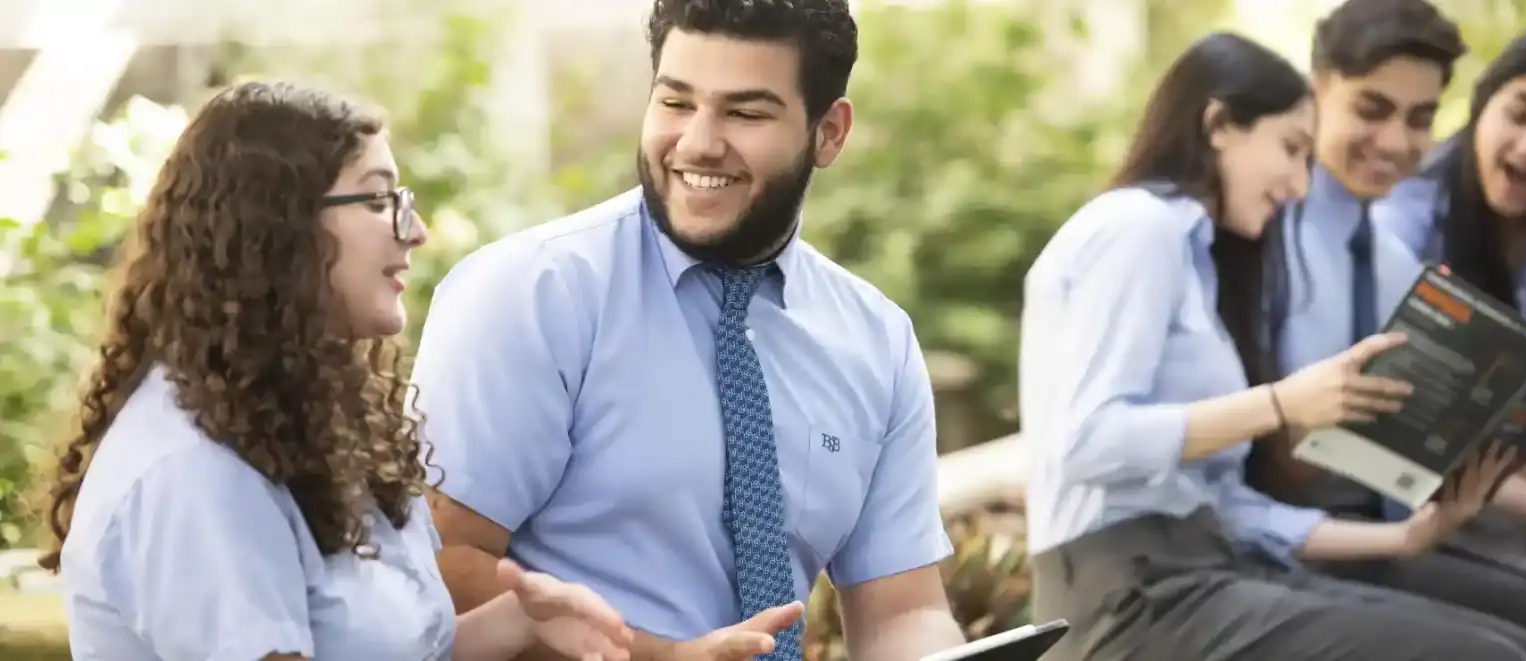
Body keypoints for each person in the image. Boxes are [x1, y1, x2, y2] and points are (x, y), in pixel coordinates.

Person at [412, 1, 966, 660]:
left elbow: (902, 608)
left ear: (830, 133)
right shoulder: (528, 296)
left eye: (745, 113)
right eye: (676, 103)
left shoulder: (876, 339)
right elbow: (437, 572)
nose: (699, 142)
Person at [34, 81, 632, 661]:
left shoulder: (295, 427)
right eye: (377, 201)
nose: (415, 232)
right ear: (275, 229)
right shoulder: (193, 474)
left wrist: (517, 623)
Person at [1021, 31, 1526, 661]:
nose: (1297, 185)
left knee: (1503, 644)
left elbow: (1228, 508)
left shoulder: (1200, 265)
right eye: (1291, 150)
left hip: (1205, 564)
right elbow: (1083, 444)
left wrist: (1408, 537)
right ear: (1219, 126)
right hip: (1125, 593)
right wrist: (1282, 404)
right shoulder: (1138, 227)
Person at [1248, 0, 1526, 624]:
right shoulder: (1265, 230)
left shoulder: (1394, 263)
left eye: (1419, 119)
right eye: (1372, 110)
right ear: (1316, 91)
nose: (1396, 143)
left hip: (1387, 531)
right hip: (1277, 545)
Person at [1375, 29, 1526, 574]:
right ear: (1481, 104)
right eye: (1521, 113)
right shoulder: (1402, 222)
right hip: (1405, 515)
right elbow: (1395, 431)